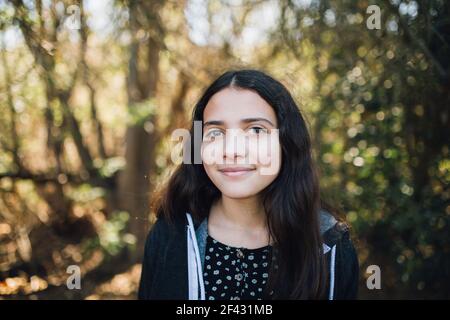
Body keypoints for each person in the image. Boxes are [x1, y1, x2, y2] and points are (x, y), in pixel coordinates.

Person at [138, 69, 359, 300]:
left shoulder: (331, 245)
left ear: (286, 141)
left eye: (256, 130)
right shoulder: (169, 235)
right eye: (215, 132)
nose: (232, 150)